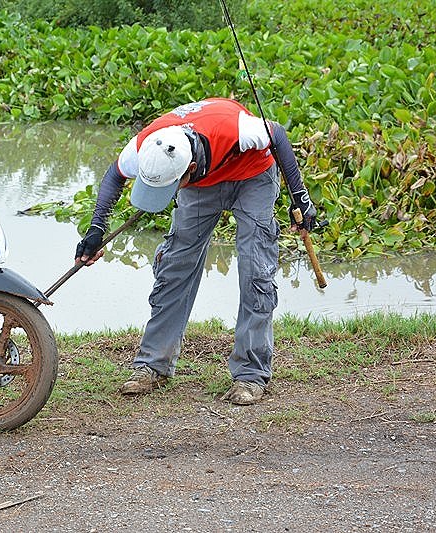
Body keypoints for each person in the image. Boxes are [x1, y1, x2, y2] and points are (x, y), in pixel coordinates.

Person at [74, 98, 318, 405]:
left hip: (252, 175)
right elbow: (114, 176)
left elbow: (277, 134)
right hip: (201, 185)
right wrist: (96, 230)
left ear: (188, 169)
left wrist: (300, 199)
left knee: (256, 269)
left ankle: (251, 375)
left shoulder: (237, 130)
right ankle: (152, 364)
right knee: (175, 263)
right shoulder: (147, 146)